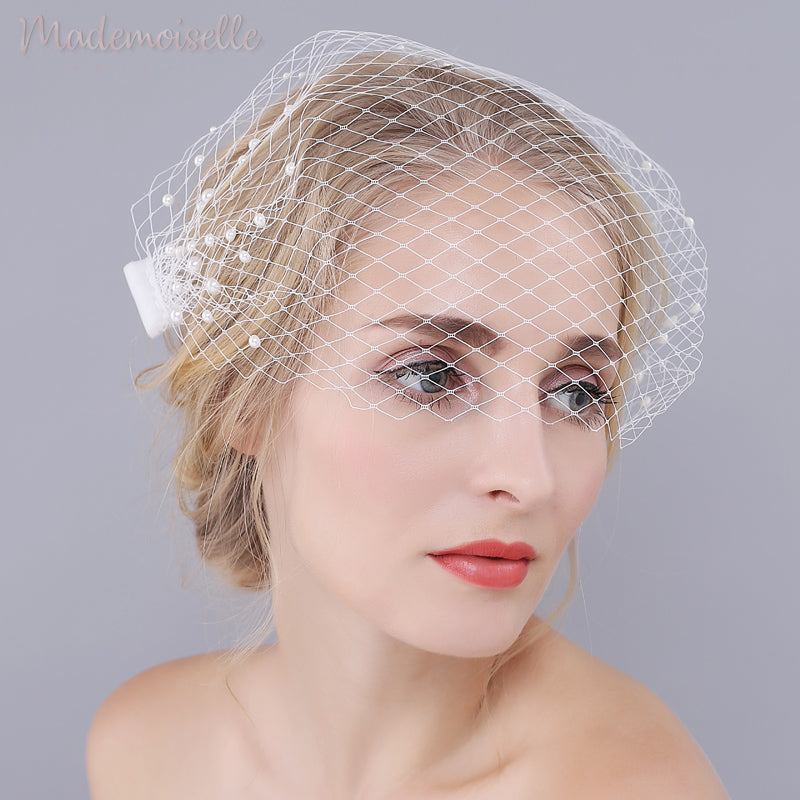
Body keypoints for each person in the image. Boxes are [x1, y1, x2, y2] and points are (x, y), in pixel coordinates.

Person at [88, 31, 728, 799]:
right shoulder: (148, 746)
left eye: (576, 393)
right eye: (431, 375)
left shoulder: (630, 784)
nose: (529, 478)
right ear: (244, 398)